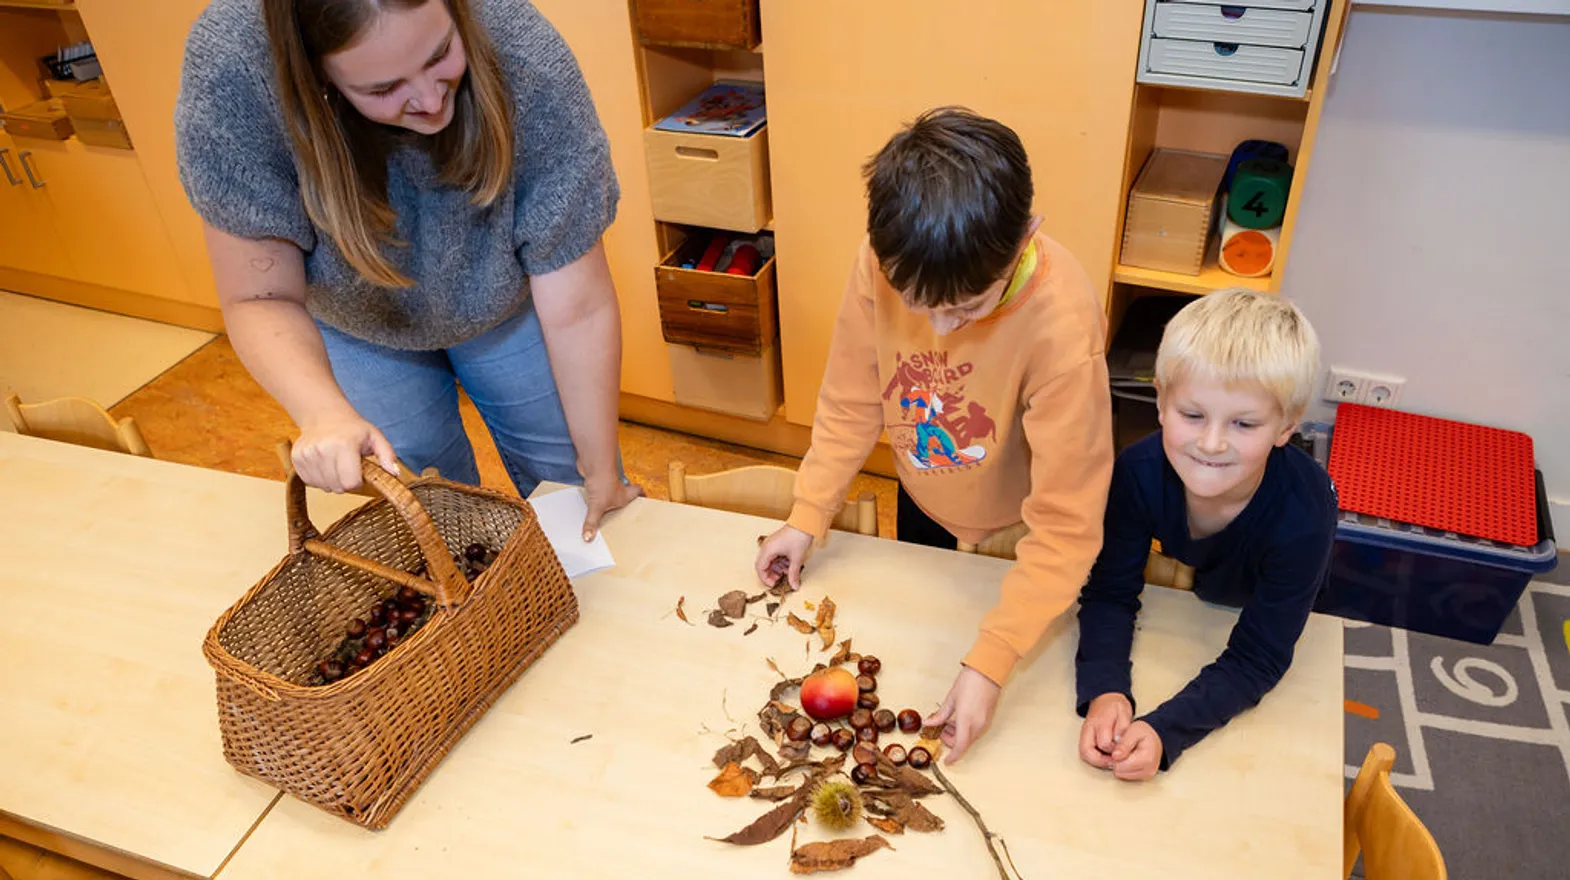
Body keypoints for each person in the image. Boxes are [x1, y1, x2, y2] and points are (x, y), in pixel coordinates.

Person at [175, 0, 639, 538]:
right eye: (384, 88)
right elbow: (260, 297)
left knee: (571, 482)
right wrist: (324, 413)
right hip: (357, 321)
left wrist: (600, 472)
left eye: (440, 54)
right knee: (432, 510)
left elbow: (578, 305)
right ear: (315, 74)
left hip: (507, 298)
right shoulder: (232, 72)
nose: (430, 101)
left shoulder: (523, 53)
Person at [754, 108, 1114, 763]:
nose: (941, 330)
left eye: (967, 308)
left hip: (1020, 534)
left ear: (1025, 238)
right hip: (926, 495)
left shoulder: (1062, 327)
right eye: (918, 306)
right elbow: (851, 396)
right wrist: (808, 513)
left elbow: (1067, 523)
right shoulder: (881, 261)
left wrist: (993, 660)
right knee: (914, 629)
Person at [1075, 287, 1336, 781]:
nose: (1211, 443)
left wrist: (1166, 729)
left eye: (1244, 424)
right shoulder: (1137, 471)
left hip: (1266, 602)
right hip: (1194, 604)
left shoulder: (1306, 511)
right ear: (1160, 401)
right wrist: (1105, 688)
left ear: (1286, 426)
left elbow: (1260, 655)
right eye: (1192, 415)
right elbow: (1109, 591)